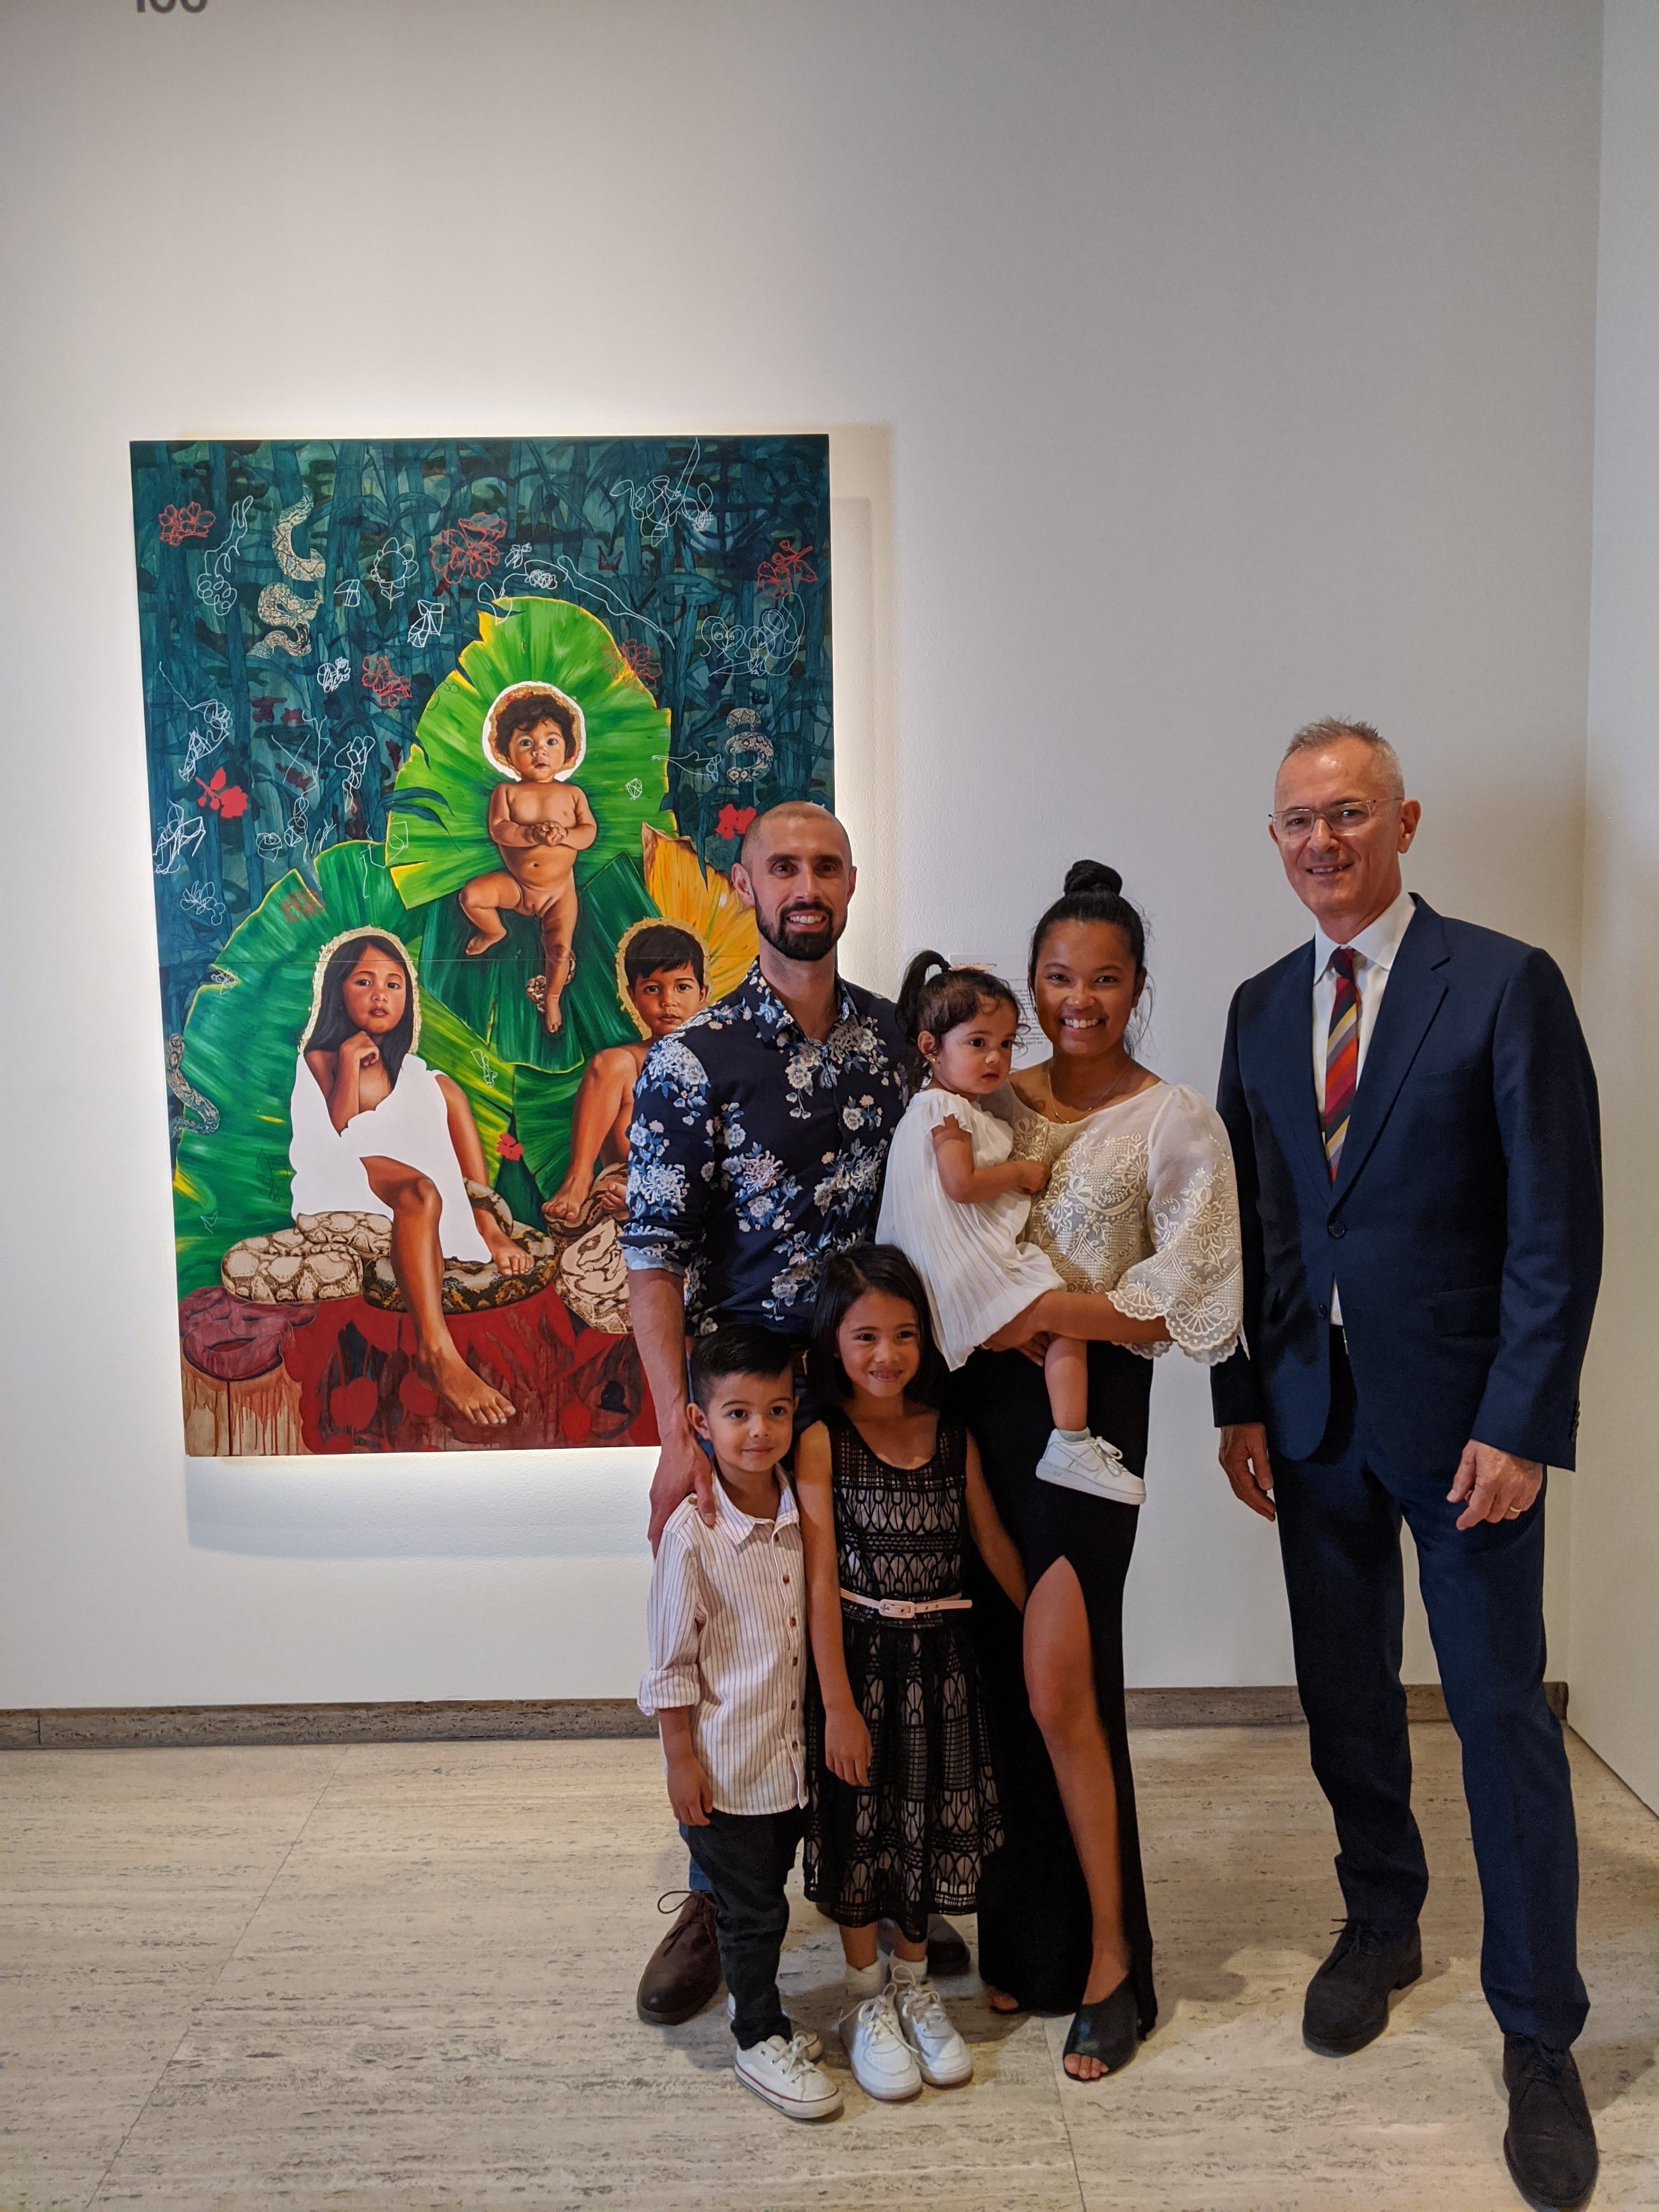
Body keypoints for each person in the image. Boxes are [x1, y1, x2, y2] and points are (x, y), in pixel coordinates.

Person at [1211, 719, 1602, 2212]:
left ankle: (1540, 2032)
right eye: (1299, 820)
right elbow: (1253, 1224)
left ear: (1405, 822)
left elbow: (1558, 1233)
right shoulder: (1257, 1009)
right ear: (1276, 840)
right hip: (1309, 1421)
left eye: (1350, 815)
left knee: (1502, 1720)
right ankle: (1382, 1923)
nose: (1323, 842)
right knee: (1348, 1699)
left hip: (1467, 1437)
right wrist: (1239, 1398)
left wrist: (1521, 1423)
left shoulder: (1503, 984)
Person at [621, 803, 968, 2024]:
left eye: (825, 865)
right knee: (743, 1661)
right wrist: (680, 1438)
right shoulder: (693, 1057)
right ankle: (724, 1892)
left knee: (869, 1649)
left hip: (877, 1403)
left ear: (853, 883)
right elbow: (651, 1260)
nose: (805, 884)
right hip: (749, 1420)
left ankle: (885, 1885)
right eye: (784, 866)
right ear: (747, 884)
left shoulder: (894, 1043)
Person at [950, 860, 1242, 2079]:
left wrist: (1056, 1312)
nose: (1081, 1001)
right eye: (1060, 979)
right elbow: (931, 1237)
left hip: (1091, 1412)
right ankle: (1027, 1935)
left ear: (1137, 989)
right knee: (1000, 1678)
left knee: (1070, 1686)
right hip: (980, 1406)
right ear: (1032, 985)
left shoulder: (1170, 1116)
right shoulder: (982, 1101)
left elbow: (1197, 1289)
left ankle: (1121, 1962)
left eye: (1105, 981)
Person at [797, 1246, 1027, 2102]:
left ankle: (914, 1984)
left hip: (944, 1672)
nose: (886, 1355)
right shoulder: (823, 1440)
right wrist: (837, 1705)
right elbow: (819, 1578)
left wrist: (1051, 1627)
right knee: (862, 1832)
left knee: (925, 1826)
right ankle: (864, 2000)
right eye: (865, 1337)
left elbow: (994, 1545)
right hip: (859, 1667)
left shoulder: (948, 1432)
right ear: (832, 1342)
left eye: (903, 1334)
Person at [637, 1324, 843, 2122]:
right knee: (752, 1912)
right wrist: (680, 1761)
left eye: (777, 1411)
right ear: (700, 1423)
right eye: (738, 1415)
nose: (760, 1433)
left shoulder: (800, 1512)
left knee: (772, 1899)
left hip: (785, 1763)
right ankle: (758, 2039)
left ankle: (762, 2012)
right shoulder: (694, 1535)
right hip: (729, 1771)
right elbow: (670, 1665)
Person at [878, 949, 1153, 1502]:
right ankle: (1073, 1440)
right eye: (977, 1043)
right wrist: (1020, 1173)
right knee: (1069, 1313)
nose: (996, 1058)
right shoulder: (943, 1112)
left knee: (1047, 1325)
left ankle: (1068, 1432)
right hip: (958, 1273)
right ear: (931, 1048)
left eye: (1005, 1044)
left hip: (941, 1280)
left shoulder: (950, 1108)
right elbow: (961, 1184)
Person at [291, 928, 528, 1428]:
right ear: (338, 992)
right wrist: (351, 1066)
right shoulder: (320, 1061)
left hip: (408, 1179)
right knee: (419, 1192)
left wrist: (486, 1220)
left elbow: (461, 1167)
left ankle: (482, 1226)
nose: (381, 994)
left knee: (445, 1103)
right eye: (364, 981)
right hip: (342, 1173)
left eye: (395, 984)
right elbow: (335, 1138)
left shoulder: (422, 1076)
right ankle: (435, 1353)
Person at [542, 922, 708, 1225]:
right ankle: (578, 1181)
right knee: (611, 1062)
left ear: (702, 994)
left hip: (692, 1196)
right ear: (633, 996)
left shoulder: (720, 1066)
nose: (668, 1000)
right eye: (652, 989)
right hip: (620, 1191)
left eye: (682, 987)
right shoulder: (623, 1065)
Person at [458, 684, 598, 1034]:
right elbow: (500, 830)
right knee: (472, 897)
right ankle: (495, 931)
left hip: (557, 893)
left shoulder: (572, 794)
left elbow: (589, 833)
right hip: (518, 887)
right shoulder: (507, 792)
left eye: (551, 741)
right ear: (506, 752)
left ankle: (551, 997)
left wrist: (565, 835)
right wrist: (533, 835)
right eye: (526, 743)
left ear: (568, 749)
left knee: (561, 949)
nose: (540, 752)